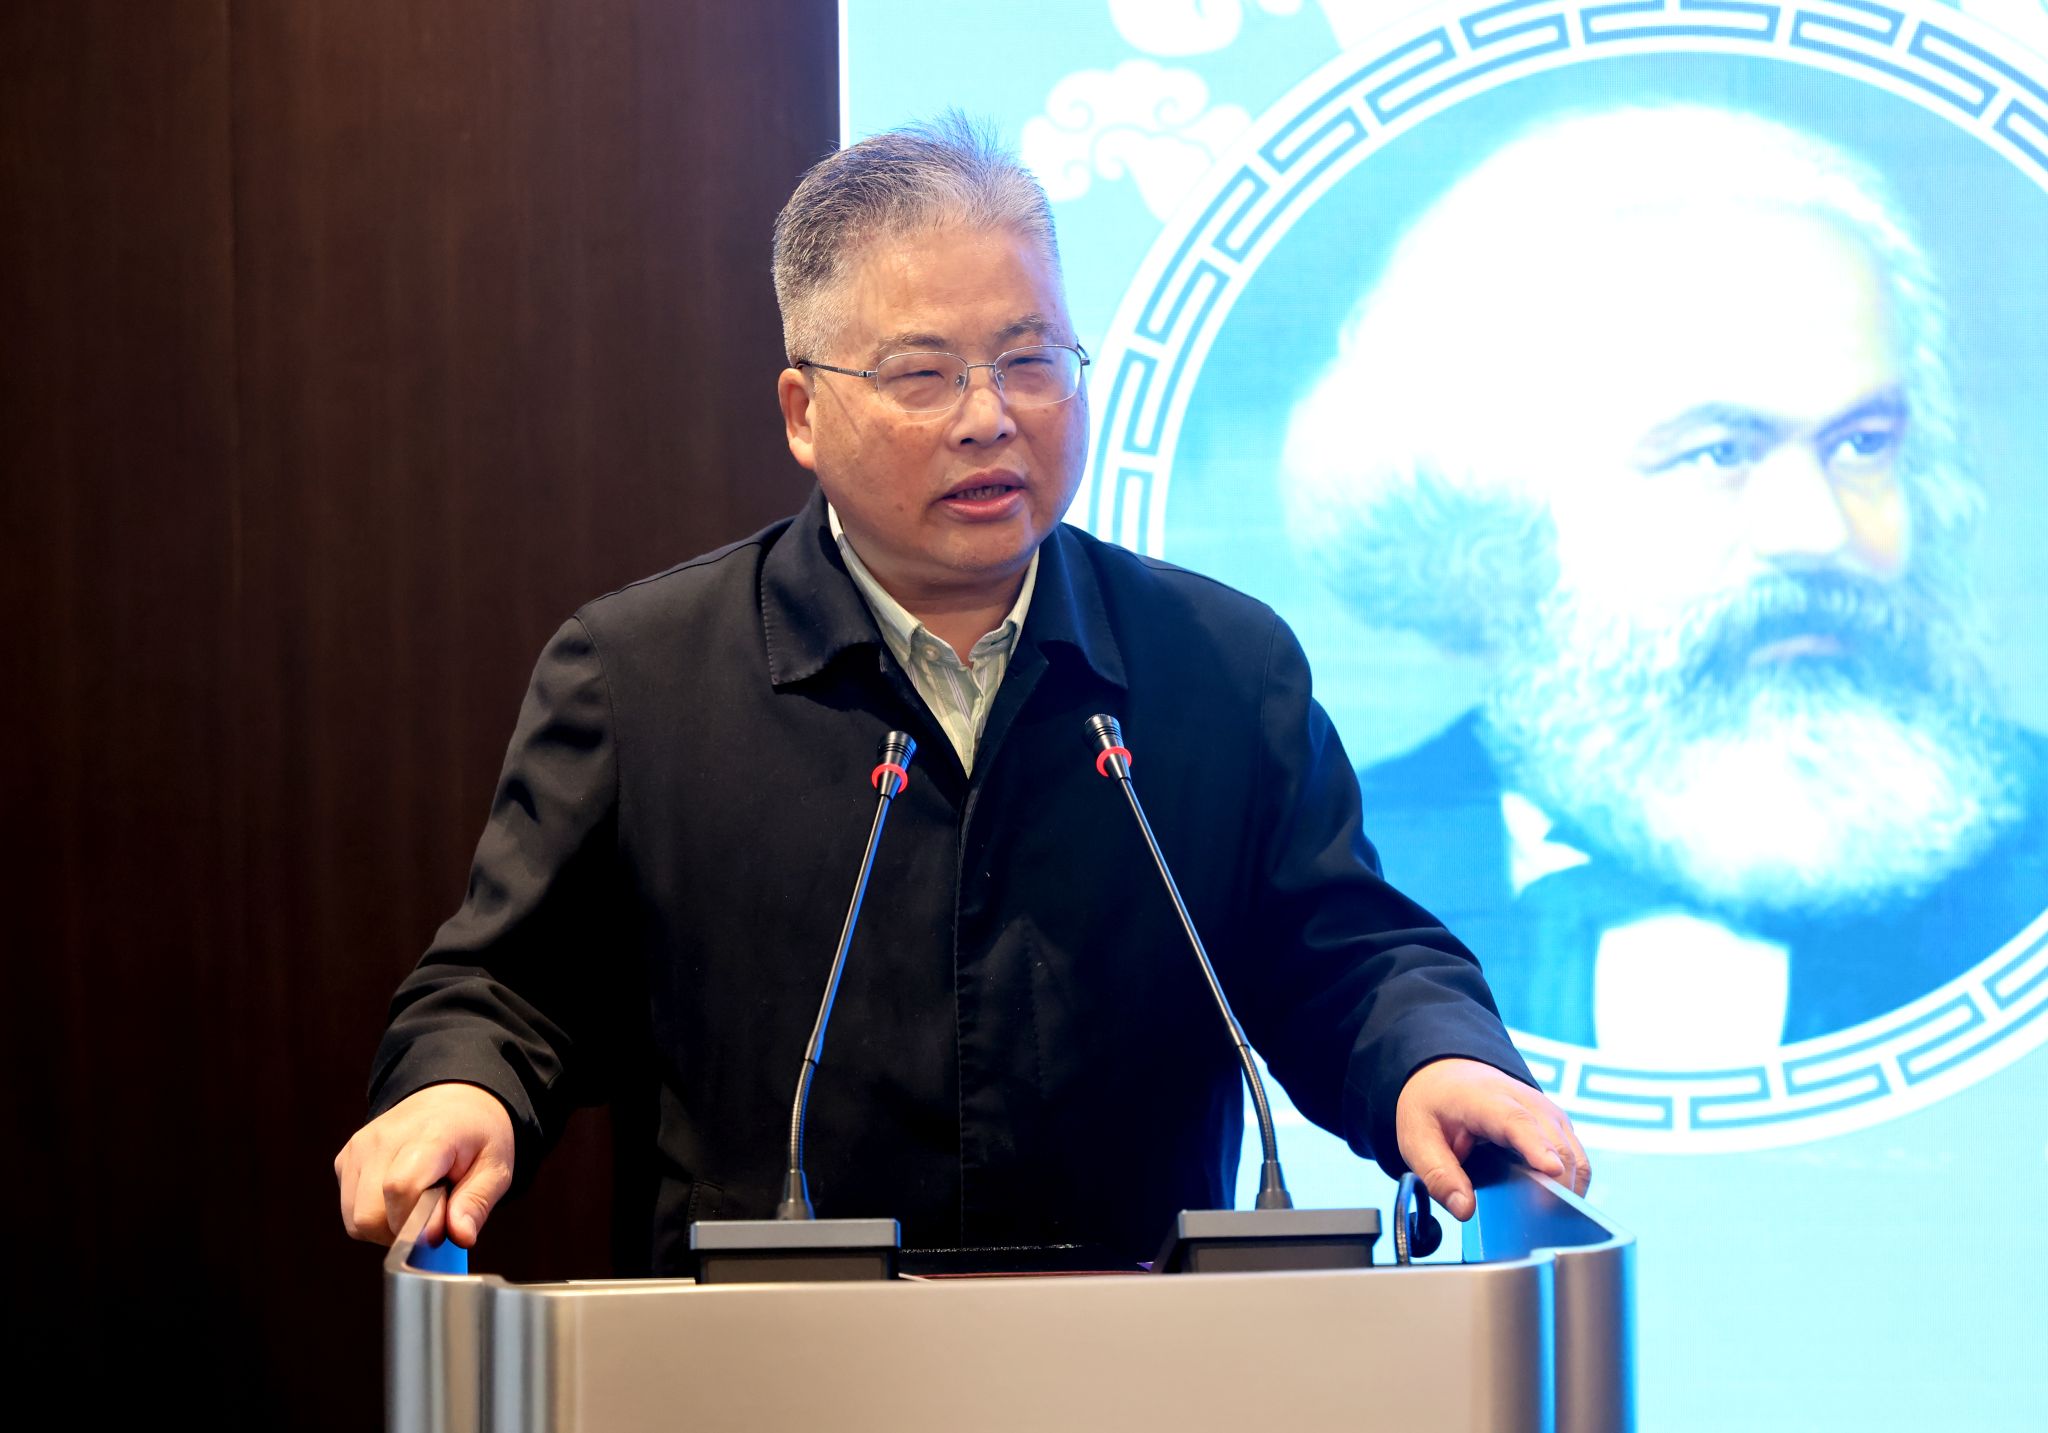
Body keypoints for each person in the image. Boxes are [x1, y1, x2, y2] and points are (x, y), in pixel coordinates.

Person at [336, 115, 1587, 1270]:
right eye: (922, 375)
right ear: (803, 412)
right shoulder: (642, 676)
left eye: (1029, 359)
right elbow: (506, 986)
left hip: (1141, 1362)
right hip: (759, 1364)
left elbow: (1343, 954)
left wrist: (1432, 1056)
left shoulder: (1218, 662)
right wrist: (457, 1086)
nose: (990, 418)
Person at [1282, 105, 2047, 1059]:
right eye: (1716, 452)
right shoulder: (1337, 872)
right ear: (1498, 511)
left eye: (1861, 444)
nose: (1818, 531)